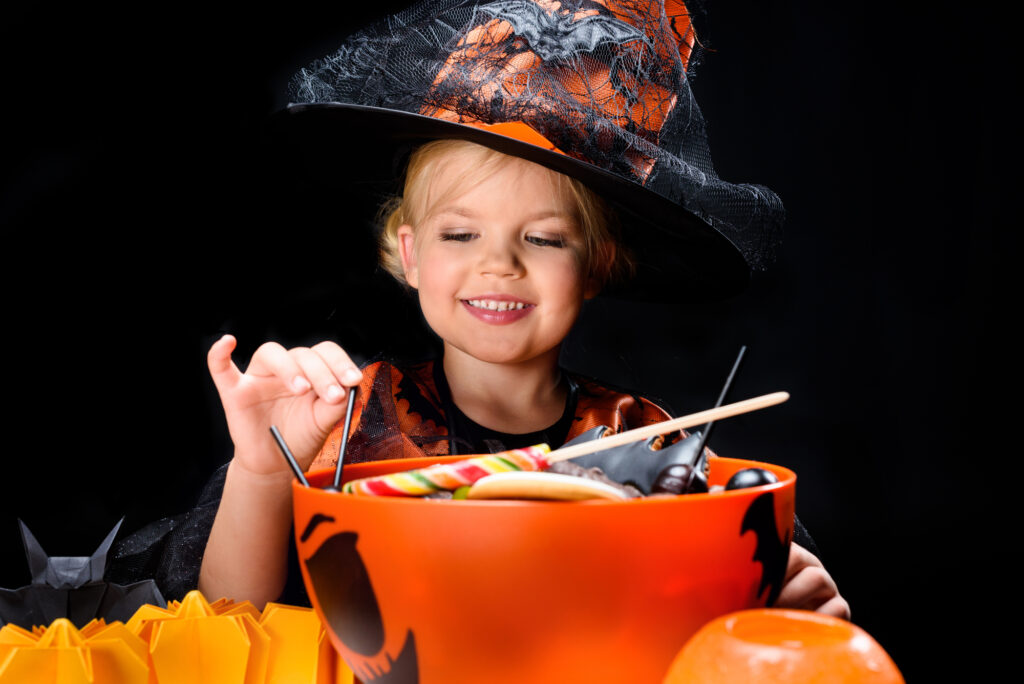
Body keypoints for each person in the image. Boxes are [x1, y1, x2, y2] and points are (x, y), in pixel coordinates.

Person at [193, 0, 847, 619]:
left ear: (595, 266)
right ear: (411, 255)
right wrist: (260, 470)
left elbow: (709, 614)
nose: (499, 265)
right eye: (460, 234)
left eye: (542, 238)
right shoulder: (344, 425)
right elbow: (233, 616)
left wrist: (778, 603)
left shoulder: (648, 442)